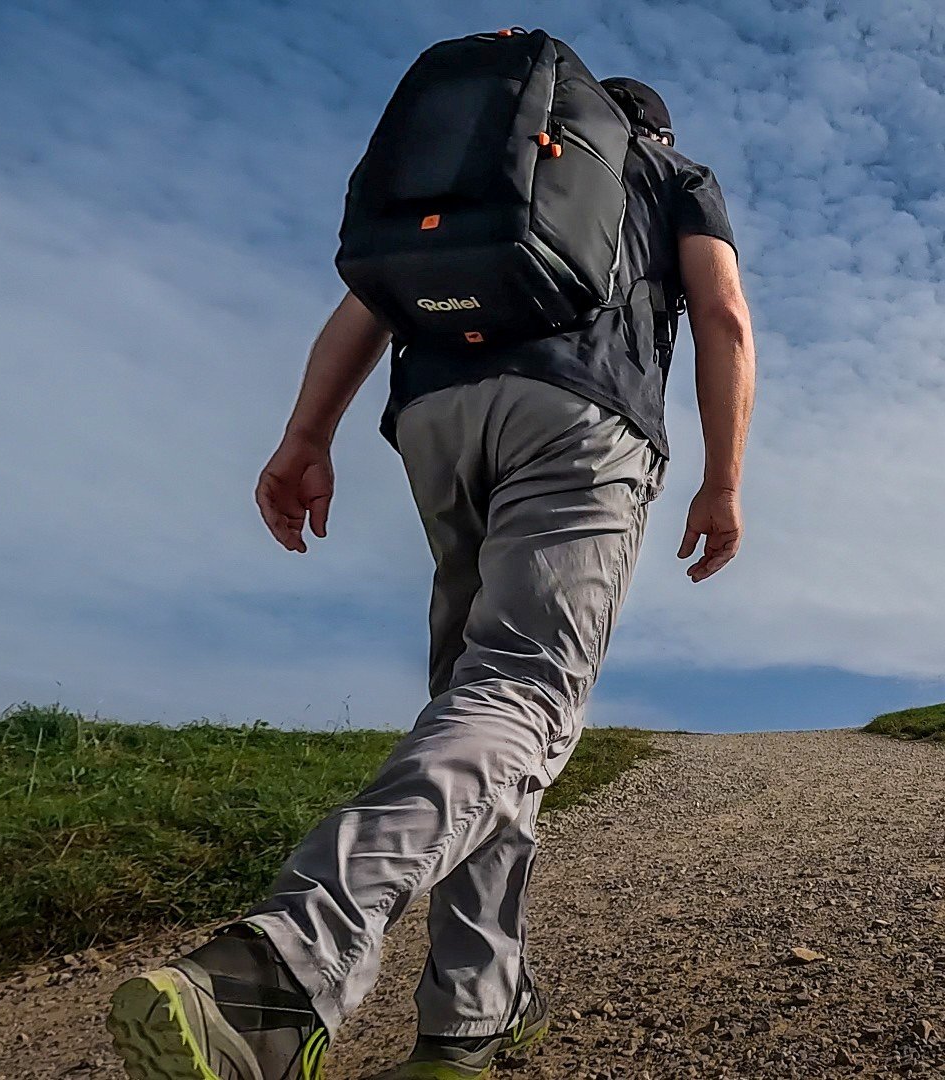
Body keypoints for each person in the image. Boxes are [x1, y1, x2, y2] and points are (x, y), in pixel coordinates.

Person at [105, 76, 755, 1080]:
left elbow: (371, 299)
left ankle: (470, 1017)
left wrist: (305, 437)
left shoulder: (495, 160)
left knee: (477, 705)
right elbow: (723, 317)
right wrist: (723, 481)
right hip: (579, 419)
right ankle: (280, 967)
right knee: (524, 694)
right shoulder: (672, 175)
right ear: (655, 133)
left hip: (436, 417)